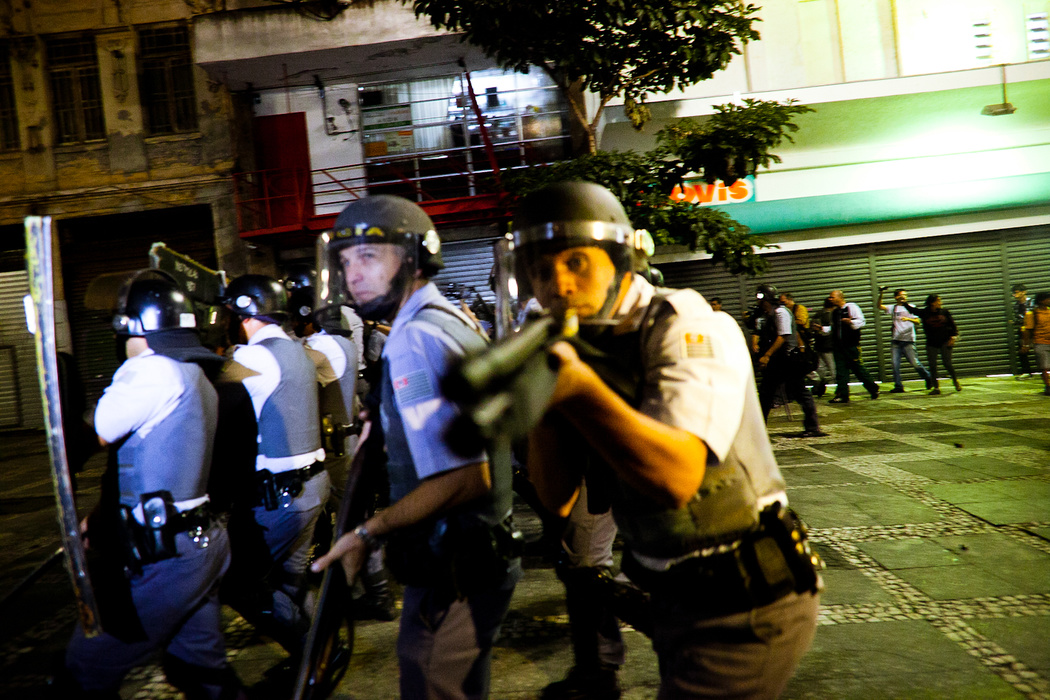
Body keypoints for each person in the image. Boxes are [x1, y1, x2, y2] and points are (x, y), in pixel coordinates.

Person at [507, 181, 821, 699]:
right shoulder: (583, 341)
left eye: (576, 263)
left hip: (746, 600)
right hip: (674, 593)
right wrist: (542, 396)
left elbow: (676, 479)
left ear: (620, 260)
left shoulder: (684, 323)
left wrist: (580, 390)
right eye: (540, 270)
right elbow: (555, 496)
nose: (557, 284)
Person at [311, 195, 521, 699]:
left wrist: (367, 532)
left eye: (368, 256)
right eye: (345, 261)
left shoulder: (413, 340)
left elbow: (466, 475)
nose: (353, 274)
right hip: (472, 558)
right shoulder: (446, 321)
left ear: (411, 258)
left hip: (455, 567)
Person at [61, 272, 243, 699]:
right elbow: (152, 468)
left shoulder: (149, 371)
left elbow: (94, 433)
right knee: (200, 670)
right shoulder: (196, 376)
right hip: (199, 541)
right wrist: (103, 518)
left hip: (167, 554)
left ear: (129, 324)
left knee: (83, 668)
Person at [218, 274, 329, 662]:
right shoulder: (299, 349)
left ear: (244, 314)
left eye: (230, 314)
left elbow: (214, 407)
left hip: (280, 498)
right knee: (292, 583)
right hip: (312, 487)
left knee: (236, 581)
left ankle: (313, 652)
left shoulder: (252, 357)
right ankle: (316, 657)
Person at [755, 286, 826, 438]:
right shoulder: (768, 315)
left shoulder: (781, 313)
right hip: (777, 360)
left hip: (788, 360)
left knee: (799, 391)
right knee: (766, 394)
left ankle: (813, 427)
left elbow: (783, 335)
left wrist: (767, 355)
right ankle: (758, 430)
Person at [876, 287, 934, 394]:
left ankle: (928, 377)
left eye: (905, 295)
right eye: (901, 295)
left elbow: (918, 322)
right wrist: (881, 293)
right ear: (896, 297)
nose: (904, 297)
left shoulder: (911, 307)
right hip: (896, 341)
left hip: (908, 341)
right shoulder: (893, 308)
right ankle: (898, 385)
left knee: (915, 363)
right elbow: (879, 306)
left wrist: (908, 319)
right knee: (895, 364)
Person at [828, 288, 880, 403]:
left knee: (858, 369)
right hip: (839, 347)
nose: (830, 299)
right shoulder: (835, 312)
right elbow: (833, 328)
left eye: (832, 297)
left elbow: (861, 321)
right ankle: (842, 394)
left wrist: (851, 322)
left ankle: (873, 388)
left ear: (840, 297)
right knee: (841, 372)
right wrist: (822, 329)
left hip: (851, 346)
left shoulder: (851, 307)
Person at [918, 294, 961, 394]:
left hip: (945, 341)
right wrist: (904, 303)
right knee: (932, 365)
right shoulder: (925, 313)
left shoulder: (944, 312)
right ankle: (936, 387)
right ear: (932, 303)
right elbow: (913, 311)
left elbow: (952, 324)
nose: (940, 303)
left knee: (947, 363)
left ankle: (955, 381)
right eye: (938, 301)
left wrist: (954, 336)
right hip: (931, 342)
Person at [1023, 291, 1050, 397]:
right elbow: (1027, 331)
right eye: (1048, 299)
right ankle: (1048, 386)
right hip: (1040, 343)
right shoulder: (1032, 314)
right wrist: (1025, 345)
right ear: (1041, 301)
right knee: (1044, 367)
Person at [810, 297, 836, 398]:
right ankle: (839, 389)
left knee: (820, 369)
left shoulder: (818, 314)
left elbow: (813, 328)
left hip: (819, 346)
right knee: (834, 370)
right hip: (829, 346)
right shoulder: (832, 315)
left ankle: (818, 387)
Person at [1012, 283, 1035, 379]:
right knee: (1022, 350)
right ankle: (1027, 372)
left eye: (1016, 293)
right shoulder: (1016, 306)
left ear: (1024, 292)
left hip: (1036, 329)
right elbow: (1019, 318)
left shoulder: (1032, 302)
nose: (1014, 295)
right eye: (1013, 293)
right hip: (1023, 330)